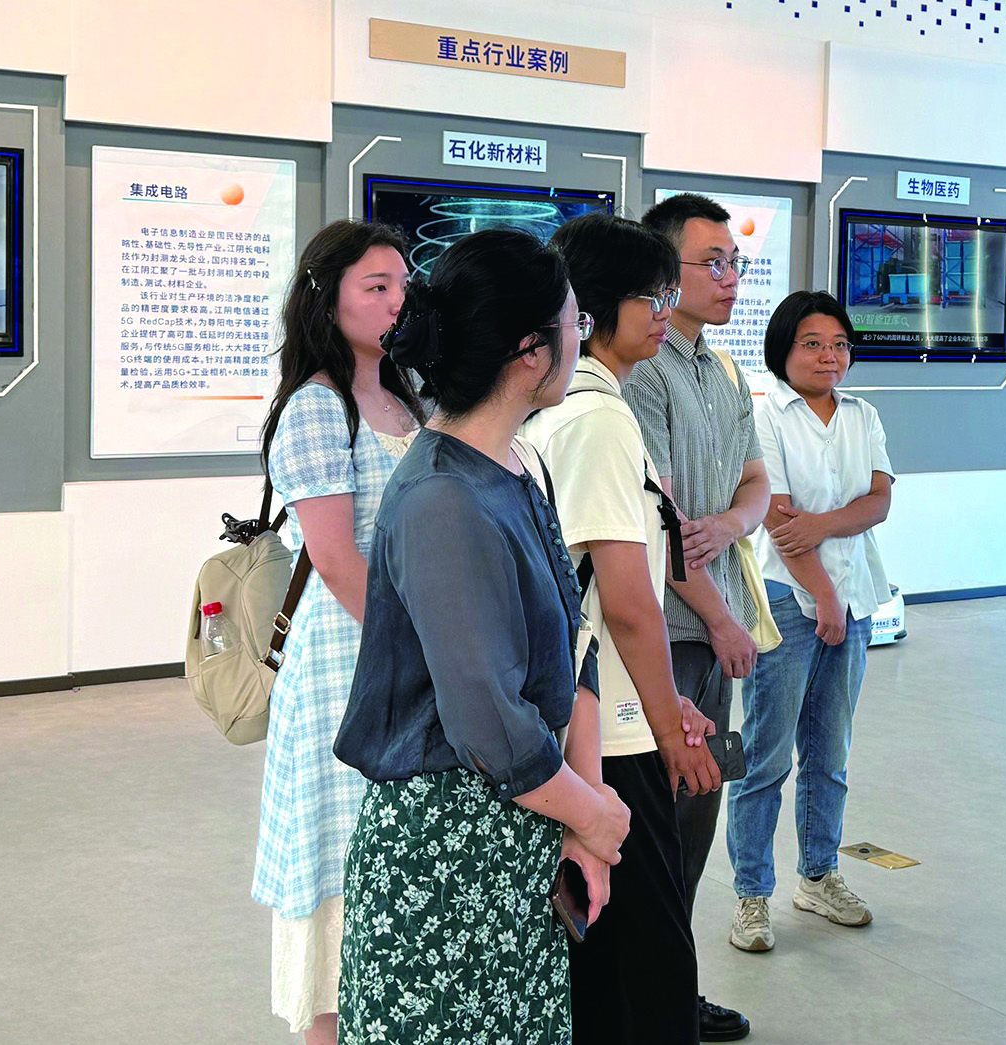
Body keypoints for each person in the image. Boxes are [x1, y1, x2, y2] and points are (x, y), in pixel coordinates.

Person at [331, 229, 629, 1045]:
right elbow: (488, 724)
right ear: (530, 351)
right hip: (445, 860)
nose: (583, 337)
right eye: (574, 322)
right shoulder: (442, 499)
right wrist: (593, 813)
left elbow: (574, 643)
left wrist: (585, 813)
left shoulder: (519, 465)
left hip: (523, 837)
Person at [519, 213, 722, 1045]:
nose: (665, 312)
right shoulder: (597, 419)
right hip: (614, 736)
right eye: (652, 295)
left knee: (603, 958)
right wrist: (670, 726)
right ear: (596, 306)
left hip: (590, 715)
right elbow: (629, 602)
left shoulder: (563, 411)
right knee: (647, 965)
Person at [253, 219, 425, 1045]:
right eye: (376, 286)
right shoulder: (317, 406)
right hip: (346, 661)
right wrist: (417, 652)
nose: (396, 301)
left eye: (403, 285)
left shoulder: (407, 395)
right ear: (329, 300)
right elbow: (334, 558)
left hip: (401, 652)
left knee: (386, 854)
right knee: (340, 861)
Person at [627, 192, 768, 1042]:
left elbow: (754, 483)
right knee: (658, 823)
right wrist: (719, 619)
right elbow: (659, 524)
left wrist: (735, 524)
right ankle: (651, 999)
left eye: (735, 262)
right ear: (663, 272)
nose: (729, 278)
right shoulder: (643, 375)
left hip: (718, 629)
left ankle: (670, 986)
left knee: (694, 818)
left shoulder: (724, 371)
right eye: (711, 262)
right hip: (676, 633)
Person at [725, 291, 893, 953]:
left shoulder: (862, 414)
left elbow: (878, 502)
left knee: (830, 754)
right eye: (813, 344)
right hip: (786, 602)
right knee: (765, 757)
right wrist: (823, 596)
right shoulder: (765, 415)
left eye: (840, 344)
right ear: (783, 351)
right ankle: (751, 894)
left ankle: (818, 875)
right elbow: (777, 518)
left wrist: (821, 526)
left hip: (857, 598)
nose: (830, 356)